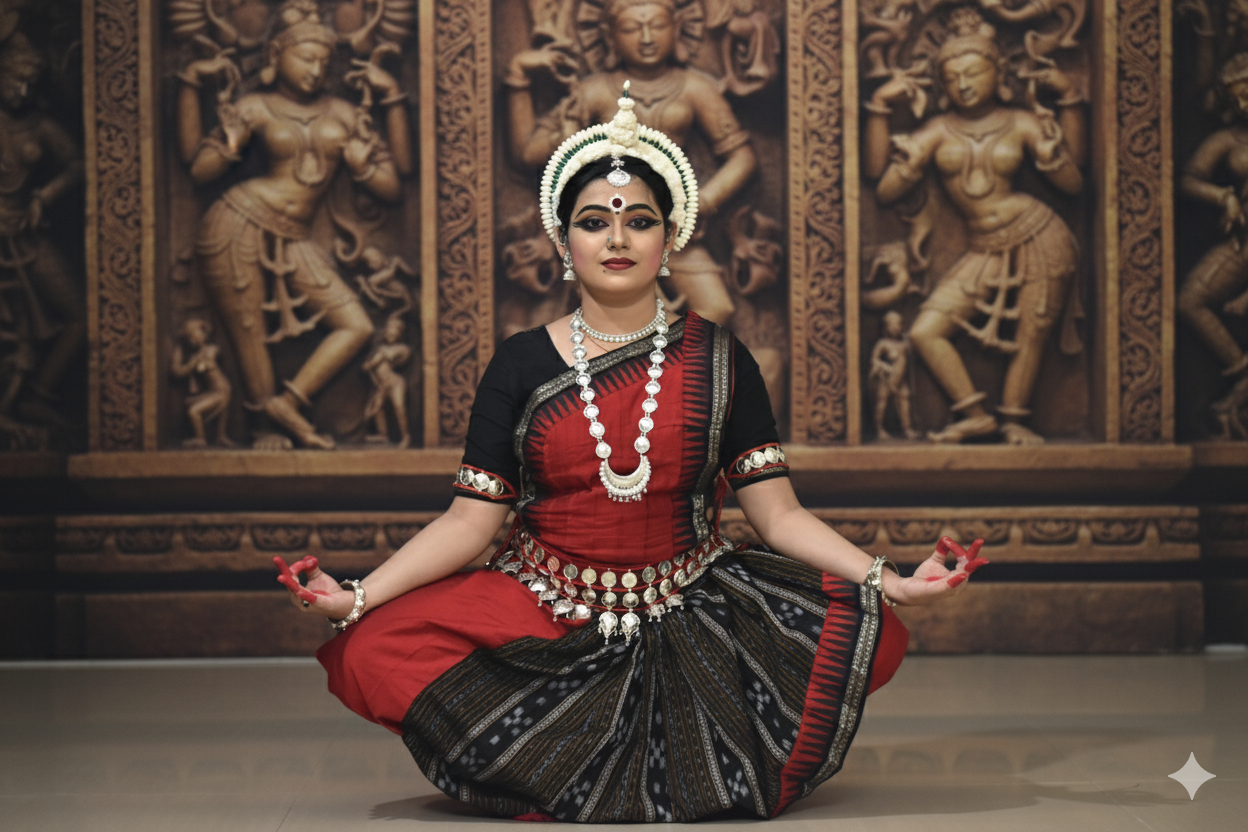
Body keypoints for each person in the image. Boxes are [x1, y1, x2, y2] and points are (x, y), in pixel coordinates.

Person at [276, 85, 987, 822]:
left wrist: (890, 581)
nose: (616, 239)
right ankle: (566, 760)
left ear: (670, 237)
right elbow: (468, 523)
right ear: (563, 241)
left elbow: (777, 515)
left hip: (689, 600)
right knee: (373, 648)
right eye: (593, 222)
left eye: (639, 221)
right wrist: (357, 596)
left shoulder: (718, 358)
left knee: (874, 633)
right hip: (544, 601)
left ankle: (584, 764)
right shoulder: (520, 363)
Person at [176, 0, 410, 450]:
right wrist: (227, 143)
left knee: (356, 325)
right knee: (249, 332)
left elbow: (393, 187)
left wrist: (363, 163)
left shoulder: (343, 113)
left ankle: (289, 402)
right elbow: (199, 170)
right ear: (275, 57)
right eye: (305, 57)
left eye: (323, 60)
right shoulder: (254, 107)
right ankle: (264, 429)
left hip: (294, 235)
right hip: (236, 221)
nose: (316, 68)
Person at [864, 10, 1084, 445]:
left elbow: (1074, 183)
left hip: (1041, 233)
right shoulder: (936, 131)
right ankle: (975, 414)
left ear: (998, 71)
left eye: (974, 71)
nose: (963, 84)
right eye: (952, 76)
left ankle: (1016, 420)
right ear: (941, 85)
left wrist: (1070, 98)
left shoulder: (1021, 123)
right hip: (984, 245)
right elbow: (883, 188)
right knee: (927, 330)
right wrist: (879, 107)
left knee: (1032, 331)